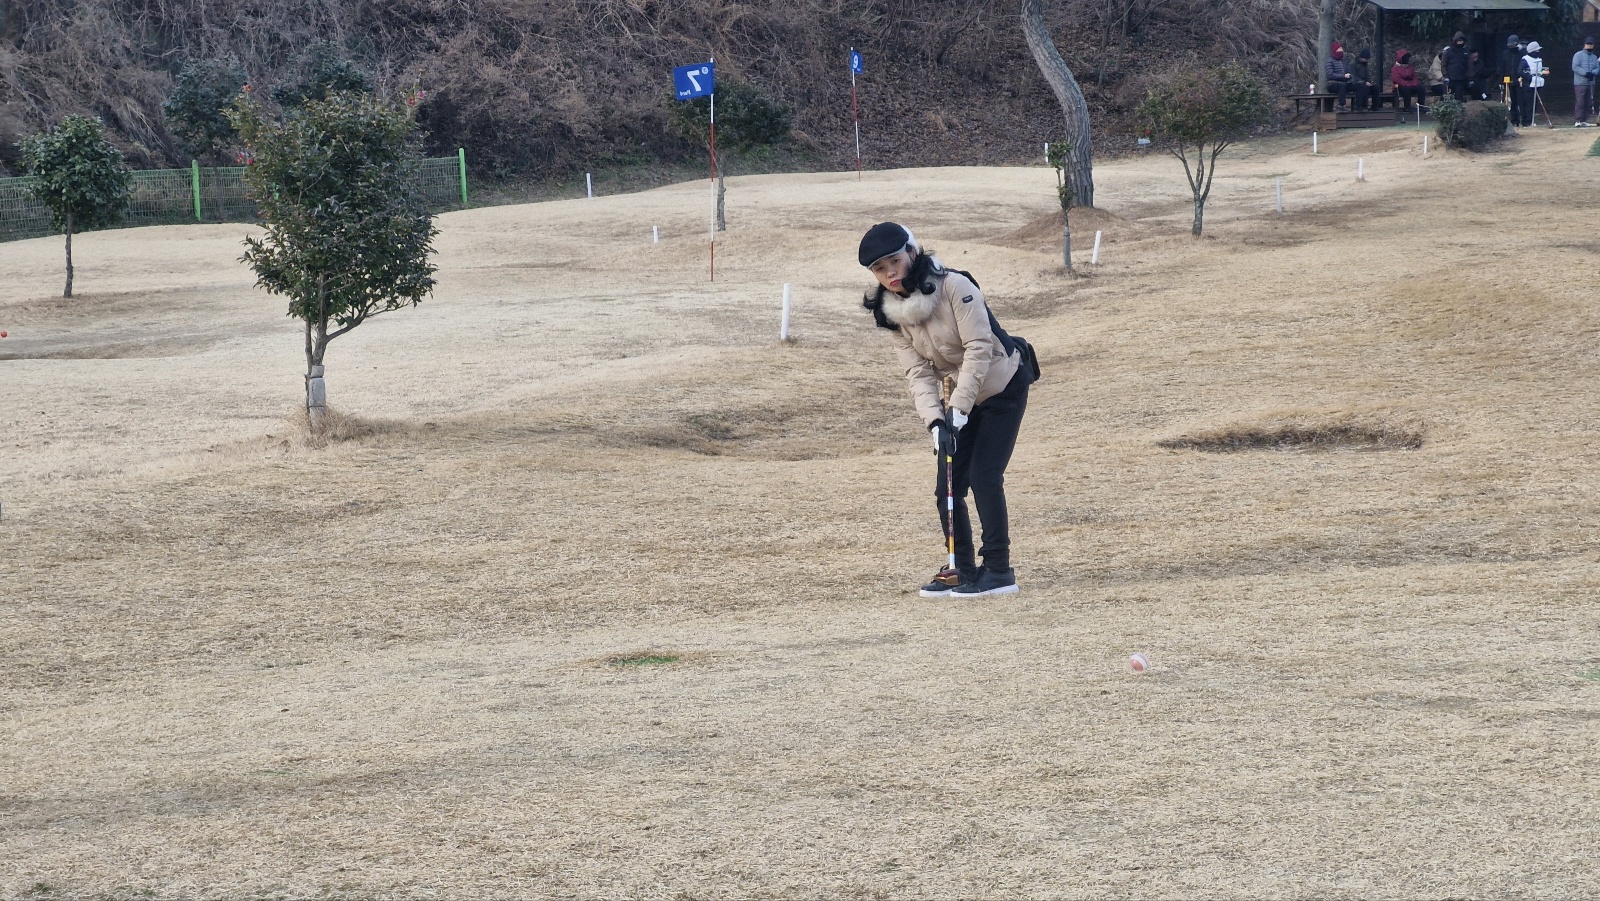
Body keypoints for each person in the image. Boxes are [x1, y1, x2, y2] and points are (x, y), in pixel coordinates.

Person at [858, 222, 1034, 598]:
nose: (889, 272)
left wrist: (959, 409)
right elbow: (918, 373)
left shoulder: (955, 286)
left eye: (895, 261)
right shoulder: (893, 312)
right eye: (879, 268)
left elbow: (979, 347)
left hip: (1002, 386)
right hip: (960, 398)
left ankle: (999, 570)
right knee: (948, 487)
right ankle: (962, 568)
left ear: (912, 252)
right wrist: (936, 422)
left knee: (984, 477)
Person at [1572, 36, 1599, 126]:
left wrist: (1593, 73)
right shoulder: (1578, 55)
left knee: (1588, 102)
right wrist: (1585, 73)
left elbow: (1597, 67)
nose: (1589, 45)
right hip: (1580, 82)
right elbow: (1575, 67)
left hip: (1591, 83)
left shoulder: (1594, 57)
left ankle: (1584, 120)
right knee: (1580, 102)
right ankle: (1578, 120)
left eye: (1591, 44)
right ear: (1584, 44)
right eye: (1588, 44)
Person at [1522, 41, 1548, 127]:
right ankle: (1528, 121)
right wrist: (1530, 78)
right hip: (1529, 85)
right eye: (1536, 50)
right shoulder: (1525, 59)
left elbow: (1541, 70)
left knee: (1535, 103)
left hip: (1538, 83)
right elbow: (1520, 71)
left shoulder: (1539, 59)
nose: (1538, 52)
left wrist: (1544, 72)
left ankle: (1532, 120)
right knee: (1529, 103)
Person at [1501, 35, 1525, 125]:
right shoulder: (1505, 54)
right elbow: (1503, 67)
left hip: (1519, 81)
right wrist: (1502, 80)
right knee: (1511, 102)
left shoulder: (1521, 54)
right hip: (1508, 81)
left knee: (1520, 101)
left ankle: (1522, 119)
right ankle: (1514, 120)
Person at [1326, 42, 1355, 111]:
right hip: (1332, 84)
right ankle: (1341, 106)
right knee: (1342, 85)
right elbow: (1330, 75)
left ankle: (1359, 106)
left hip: (1344, 83)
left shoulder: (1344, 61)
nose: (1341, 51)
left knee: (1357, 86)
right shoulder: (1330, 61)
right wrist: (1343, 76)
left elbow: (1348, 71)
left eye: (1341, 49)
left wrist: (1350, 76)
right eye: (1339, 49)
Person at [1444, 31, 1472, 100]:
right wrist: (1445, 76)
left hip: (1461, 79)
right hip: (1450, 78)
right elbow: (1443, 64)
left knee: (1459, 97)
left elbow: (1469, 66)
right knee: (1449, 97)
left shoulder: (1466, 51)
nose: (1460, 42)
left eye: (1461, 40)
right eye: (1458, 40)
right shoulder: (1448, 51)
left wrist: (1470, 78)